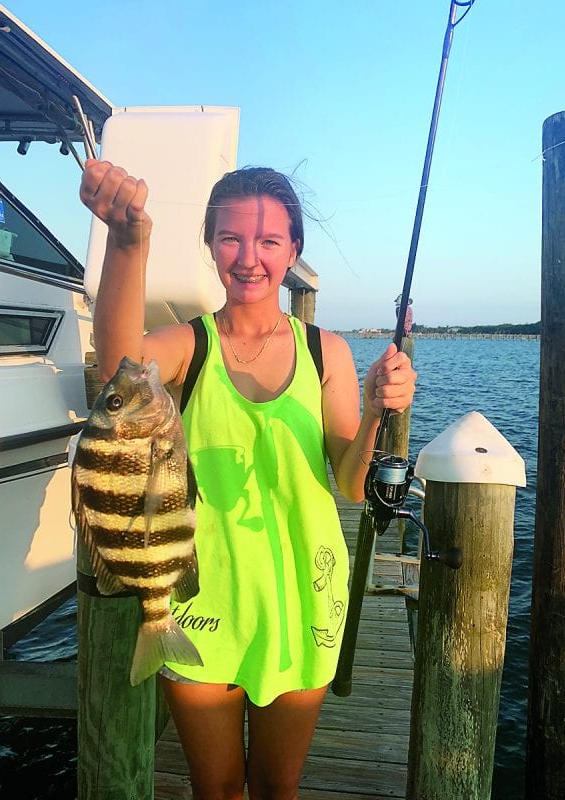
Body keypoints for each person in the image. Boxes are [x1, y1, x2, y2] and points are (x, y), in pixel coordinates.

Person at [79, 160, 417, 800]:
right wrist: (128, 243)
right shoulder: (188, 345)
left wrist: (375, 411)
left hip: (301, 599)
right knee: (216, 789)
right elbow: (120, 363)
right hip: (203, 602)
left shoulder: (329, 352)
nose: (249, 257)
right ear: (210, 245)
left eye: (268, 241)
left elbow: (349, 482)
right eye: (231, 238)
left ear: (293, 250)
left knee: (276, 789)